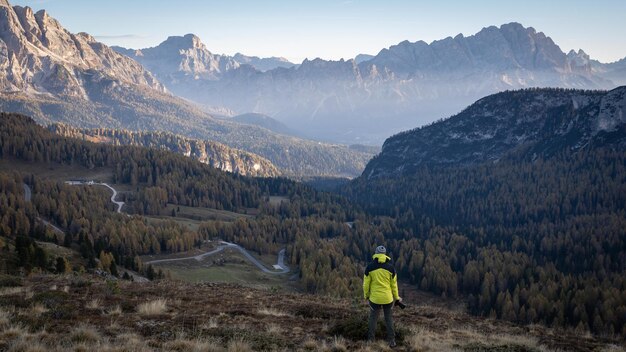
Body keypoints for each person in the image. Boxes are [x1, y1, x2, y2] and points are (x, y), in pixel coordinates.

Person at [363, 245, 401, 347]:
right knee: (388, 319)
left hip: (374, 299)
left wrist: (366, 295)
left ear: (376, 253)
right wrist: (396, 298)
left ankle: (371, 341)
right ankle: (392, 341)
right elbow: (394, 285)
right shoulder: (391, 268)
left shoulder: (369, 267)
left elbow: (366, 284)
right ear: (384, 255)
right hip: (388, 299)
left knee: (373, 319)